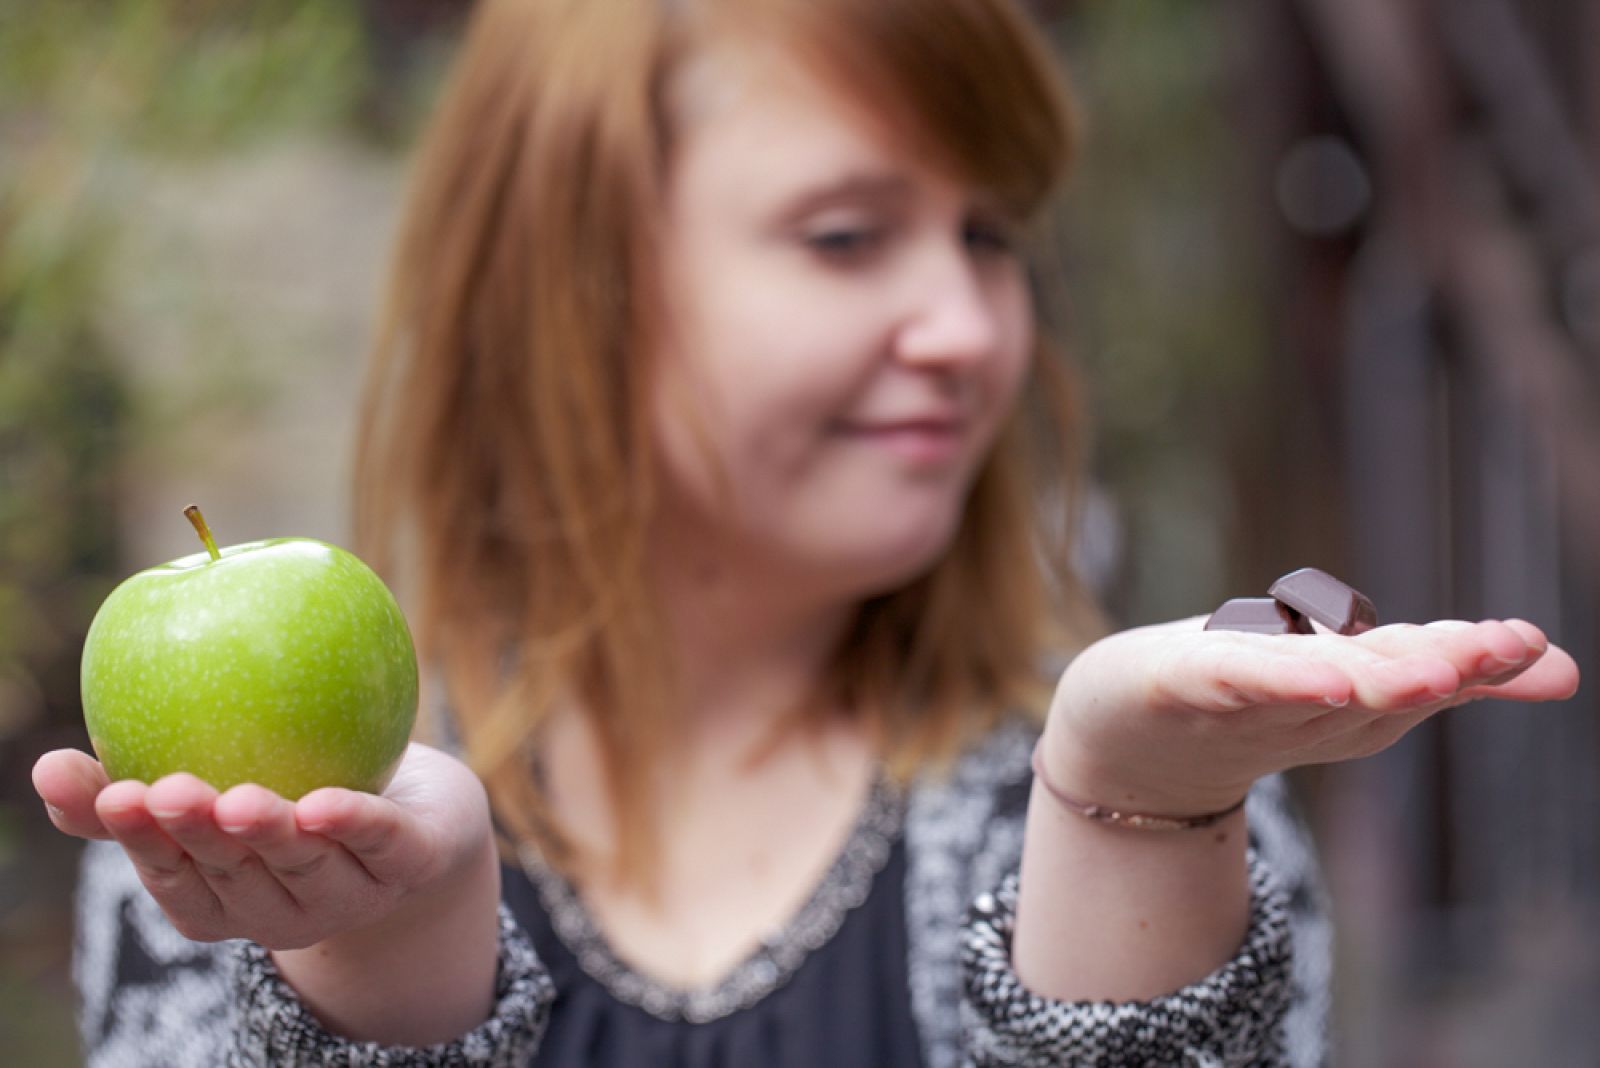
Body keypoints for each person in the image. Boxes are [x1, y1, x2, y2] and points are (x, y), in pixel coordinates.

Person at [33, 0, 1581, 1065]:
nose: (973, 325)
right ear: (580, 291)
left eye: (990, 237)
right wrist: (381, 962)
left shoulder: (1130, 796)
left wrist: (1140, 826)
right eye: (848, 236)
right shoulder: (246, 835)